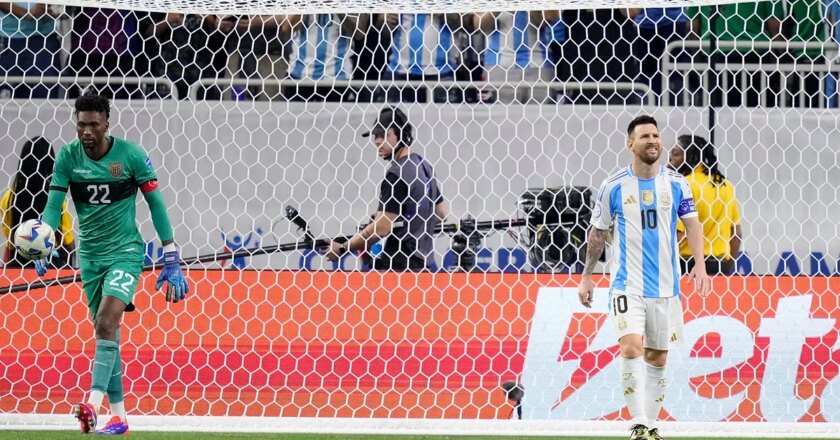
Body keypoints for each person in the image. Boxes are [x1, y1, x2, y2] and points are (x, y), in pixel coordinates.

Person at [33, 94, 189, 435]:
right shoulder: (68, 157)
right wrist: (44, 242)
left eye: (93, 124)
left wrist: (171, 252)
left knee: (105, 320)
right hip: (90, 257)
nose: (86, 131)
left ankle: (92, 403)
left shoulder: (131, 156)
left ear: (107, 123)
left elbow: (157, 204)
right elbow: (53, 204)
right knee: (108, 333)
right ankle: (118, 418)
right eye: (81, 124)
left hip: (125, 253)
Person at [578, 116, 711, 440]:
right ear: (631, 144)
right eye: (645, 136)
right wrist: (587, 277)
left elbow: (692, 224)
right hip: (627, 285)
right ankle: (638, 420)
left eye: (656, 135)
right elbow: (597, 234)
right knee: (631, 348)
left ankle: (649, 427)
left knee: (657, 356)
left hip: (667, 287)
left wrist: (700, 264)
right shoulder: (614, 187)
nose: (653, 141)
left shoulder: (677, 183)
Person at [322, 107, 448, 271]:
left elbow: (381, 228)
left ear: (401, 135)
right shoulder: (424, 166)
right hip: (425, 265)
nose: (377, 141)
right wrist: (402, 218)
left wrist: (342, 248)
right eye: (376, 136)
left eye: (384, 135)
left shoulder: (396, 175)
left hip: (398, 268)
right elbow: (441, 213)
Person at [670, 135, 742, 275]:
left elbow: (678, 234)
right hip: (719, 265)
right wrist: (728, 267)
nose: (670, 158)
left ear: (691, 157)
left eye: (676, 153)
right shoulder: (726, 185)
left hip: (686, 264)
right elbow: (736, 234)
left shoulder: (684, 185)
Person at [2, 137, 75, 267]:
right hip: (50, 265)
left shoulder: (9, 198)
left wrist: (6, 268)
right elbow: (68, 244)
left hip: (19, 264)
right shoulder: (56, 198)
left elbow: (10, 243)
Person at [0, 2, 62, 98]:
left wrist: (55, 8)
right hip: (7, 38)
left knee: (45, 99)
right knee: (7, 100)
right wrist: (27, 13)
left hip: (43, 40)